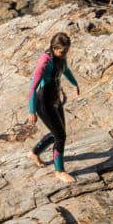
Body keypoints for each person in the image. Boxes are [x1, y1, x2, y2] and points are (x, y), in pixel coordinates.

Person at [29, 32, 80, 180]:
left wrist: (75, 84)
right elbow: (32, 87)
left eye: (67, 51)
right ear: (54, 48)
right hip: (43, 102)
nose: (65, 54)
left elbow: (66, 71)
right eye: (62, 52)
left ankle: (34, 153)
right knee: (60, 136)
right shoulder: (44, 62)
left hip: (55, 100)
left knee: (58, 133)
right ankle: (59, 171)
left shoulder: (61, 58)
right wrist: (32, 111)